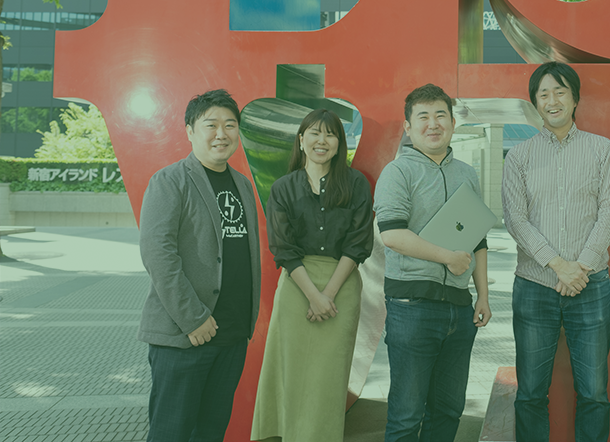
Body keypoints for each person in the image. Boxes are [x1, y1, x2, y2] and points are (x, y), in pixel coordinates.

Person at [502, 62, 610, 442]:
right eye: (544, 94)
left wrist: (580, 267)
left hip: (590, 285)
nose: (552, 100)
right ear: (535, 102)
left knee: (594, 393)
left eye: (560, 92)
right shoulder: (518, 156)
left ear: (574, 99)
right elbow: (515, 220)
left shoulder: (601, 149)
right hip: (534, 286)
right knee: (530, 393)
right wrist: (559, 266)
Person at [138, 89, 261, 442]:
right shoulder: (170, 181)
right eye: (211, 125)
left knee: (210, 431)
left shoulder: (242, 184)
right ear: (190, 131)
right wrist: (194, 318)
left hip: (232, 333)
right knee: (171, 433)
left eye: (230, 125)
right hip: (186, 335)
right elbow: (158, 254)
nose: (221, 133)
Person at [374, 84, 492, 442]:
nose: (433, 123)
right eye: (423, 116)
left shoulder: (467, 174)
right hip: (412, 309)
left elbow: (478, 239)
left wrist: (483, 296)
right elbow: (392, 234)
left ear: (453, 123)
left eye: (441, 115)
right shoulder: (398, 172)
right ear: (408, 127)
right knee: (406, 416)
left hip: (459, 308)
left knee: (449, 410)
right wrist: (447, 257)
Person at [251, 108, 374, 442]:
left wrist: (327, 295)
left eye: (330, 134)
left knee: (328, 376)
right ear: (301, 139)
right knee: (290, 369)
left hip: (341, 285)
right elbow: (283, 248)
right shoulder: (283, 187)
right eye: (315, 133)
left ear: (339, 143)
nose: (322, 140)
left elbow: (358, 244)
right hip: (296, 286)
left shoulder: (356, 184)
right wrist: (313, 295)